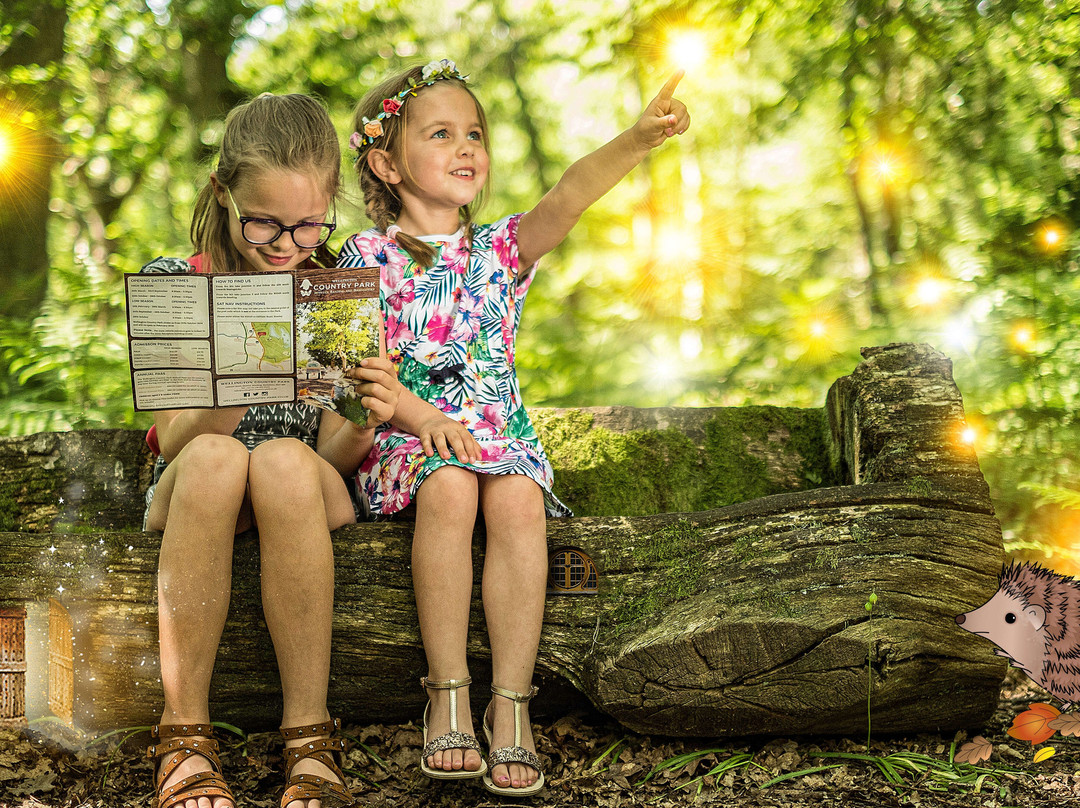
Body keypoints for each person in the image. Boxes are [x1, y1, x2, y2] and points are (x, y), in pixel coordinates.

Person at [337, 59, 690, 796]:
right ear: (385, 163)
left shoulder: (500, 251)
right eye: (441, 134)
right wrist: (426, 419)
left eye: (475, 133)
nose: (468, 147)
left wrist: (636, 138)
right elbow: (366, 377)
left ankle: (512, 705)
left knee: (518, 499)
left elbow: (569, 194)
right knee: (452, 488)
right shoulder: (363, 260)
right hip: (406, 439)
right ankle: (449, 693)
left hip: (500, 436)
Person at [141, 92, 402, 808]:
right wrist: (246, 377)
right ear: (223, 191)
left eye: (309, 224)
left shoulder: (333, 293)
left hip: (298, 489)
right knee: (226, 458)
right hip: (198, 483)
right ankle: (184, 734)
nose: (287, 244)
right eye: (265, 222)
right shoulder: (176, 284)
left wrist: (365, 416)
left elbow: (333, 454)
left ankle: (310, 737)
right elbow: (176, 440)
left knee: (282, 460)